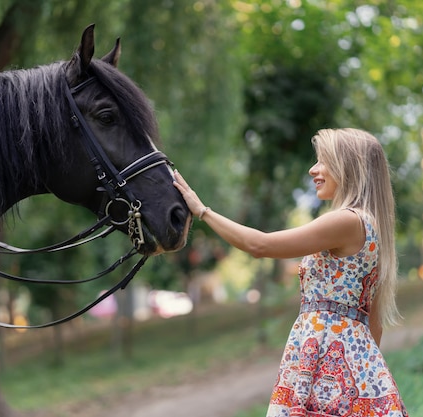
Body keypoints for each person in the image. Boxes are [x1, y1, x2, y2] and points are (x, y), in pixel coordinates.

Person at [173, 128, 408, 417]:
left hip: (326, 358)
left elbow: (259, 245)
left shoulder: (346, 222)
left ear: (348, 166)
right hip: (345, 361)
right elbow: (374, 323)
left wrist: (202, 211)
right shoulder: (369, 226)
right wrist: (363, 378)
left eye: (323, 161)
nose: (313, 169)